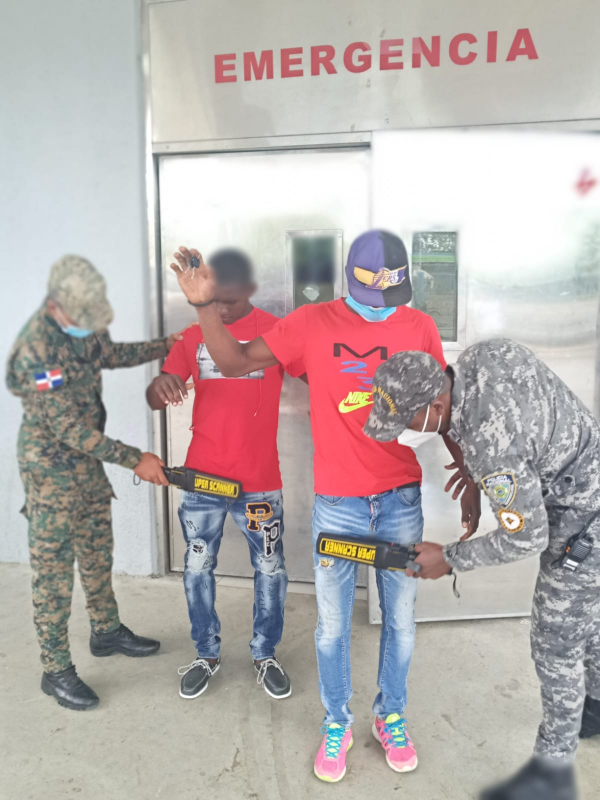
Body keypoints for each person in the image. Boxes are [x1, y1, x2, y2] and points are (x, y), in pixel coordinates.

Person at [167, 231, 479, 782]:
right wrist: (204, 306)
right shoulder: (311, 324)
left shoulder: (418, 326)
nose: (382, 309)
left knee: (401, 623)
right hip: (339, 504)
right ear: (351, 280)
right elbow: (234, 361)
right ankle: (337, 722)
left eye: (391, 297)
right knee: (332, 628)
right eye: (374, 297)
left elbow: (442, 406)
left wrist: (469, 472)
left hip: (400, 499)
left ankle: (391, 716)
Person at [363, 339, 600, 800]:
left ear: (437, 405)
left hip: (584, 520)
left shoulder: (494, 449)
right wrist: (472, 475)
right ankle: (595, 708)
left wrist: (449, 558)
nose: (403, 433)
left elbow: (528, 537)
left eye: (406, 421)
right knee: (586, 619)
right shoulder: (477, 358)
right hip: (585, 474)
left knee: (556, 643)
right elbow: (505, 421)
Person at [6, 255, 177, 711]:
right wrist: (135, 459)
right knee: (54, 571)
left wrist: (164, 345)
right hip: (49, 471)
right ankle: (56, 669)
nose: (92, 328)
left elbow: (109, 354)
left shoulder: (84, 319)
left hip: (87, 463)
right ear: (57, 306)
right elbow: (67, 429)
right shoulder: (36, 352)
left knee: (98, 549)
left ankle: (105, 631)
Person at [147, 248, 298, 701]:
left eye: (226, 299)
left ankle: (265, 653)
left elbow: (318, 376)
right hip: (202, 481)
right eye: (210, 300)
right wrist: (159, 385)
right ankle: (206, 654)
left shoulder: (276, 331)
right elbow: (155, 396)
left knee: (270, 568)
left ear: (249, 289)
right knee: (197, 567)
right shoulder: (193, 335)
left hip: (259, 482)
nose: (219, 308)